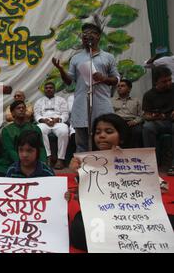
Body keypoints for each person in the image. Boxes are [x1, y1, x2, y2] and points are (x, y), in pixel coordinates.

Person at [68, 114, 132, 251]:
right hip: (99, 215)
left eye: (109, 132)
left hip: (129, 215)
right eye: (98, 132)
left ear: (122, 137)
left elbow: (153, 189)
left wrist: (159, 186)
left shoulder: (136, 161)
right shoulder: (86, 162)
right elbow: (85, 201)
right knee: (78, 230)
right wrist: (78, 176)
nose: (101, 136)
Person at [52, 23, 119, 152]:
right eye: (85, 33)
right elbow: (69, 81)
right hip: (81, 104)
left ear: (98, 37)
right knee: (81, 142)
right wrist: (61, 69)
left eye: (92, 33)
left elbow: (116, 79)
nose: (88, 35)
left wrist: (104, 78)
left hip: (101, 104)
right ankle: (83, 170)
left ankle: (104, 169)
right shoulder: (76, 58)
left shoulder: (108, 57)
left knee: (103, 139)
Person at [0, 100, 47, 176]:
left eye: (23, 108)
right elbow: (10, 150)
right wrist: (22, 164)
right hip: (12, 162)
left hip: (33, 161)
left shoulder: (35, 128)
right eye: (18, 108)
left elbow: (41, 147)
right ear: (12, 113)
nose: (21, 109)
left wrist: (43, 162)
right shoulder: (6, 130)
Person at [141, 65, 174, 174]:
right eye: (164, 81)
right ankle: (152, 162)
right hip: (160, 123)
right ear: (156, 82)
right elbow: (146, 116)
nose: (168, 83)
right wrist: (155, 116)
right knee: (147, 127)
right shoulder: (149, 95)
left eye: (170, 80)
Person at [34, 81, 70, 169]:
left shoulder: (61, 100)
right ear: (44, 90)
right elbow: (36, 114)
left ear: (54, 89)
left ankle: (60, 159)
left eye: (51, 88)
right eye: (47, 88)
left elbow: (65, 113)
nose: (49, 89)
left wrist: (57, 119)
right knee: (40, 130)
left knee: (64, 131)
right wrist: (43, 120)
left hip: (58, 122)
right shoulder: (39, 101)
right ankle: (47, 158)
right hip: (44, 122)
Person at [112, 79, 143, 148]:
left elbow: (142, 115)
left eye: (122, 86)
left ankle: (134, 153)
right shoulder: (111, 100)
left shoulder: (136, 100)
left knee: (138, 131)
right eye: (118, 86)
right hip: (117, 122)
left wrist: (135, 121)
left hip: (132, 122)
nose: (119, 88)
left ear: (129, 89)